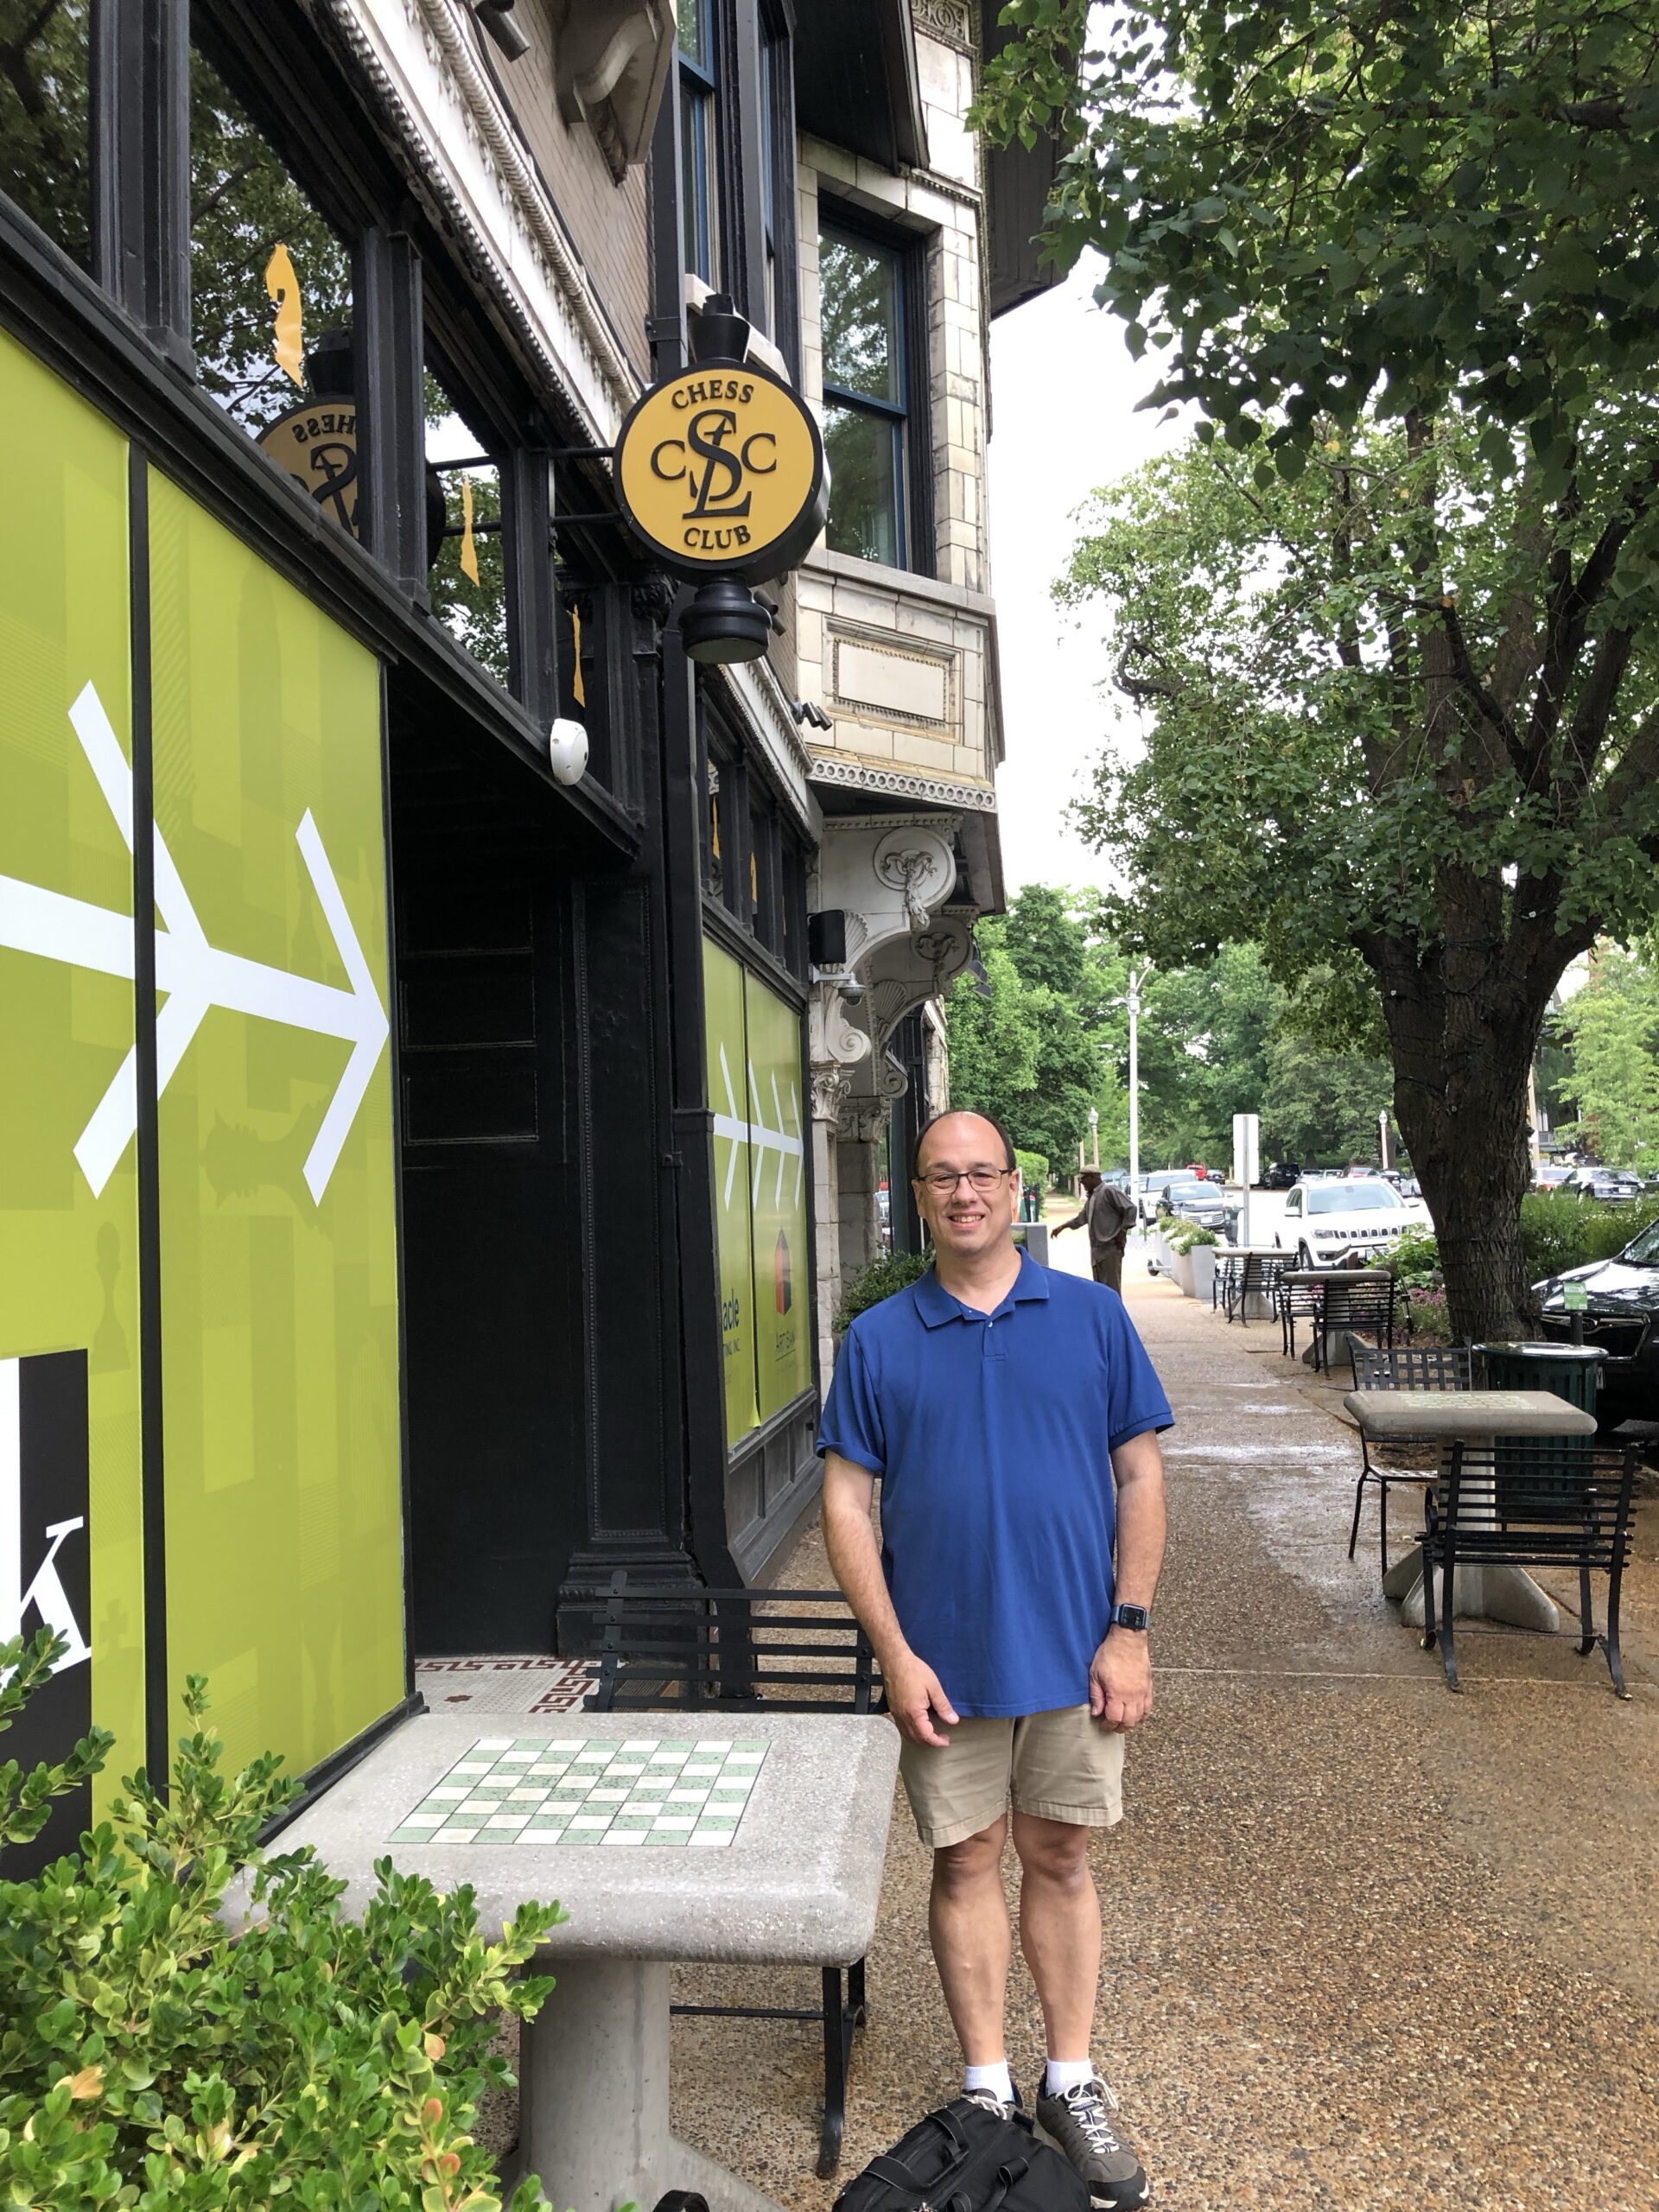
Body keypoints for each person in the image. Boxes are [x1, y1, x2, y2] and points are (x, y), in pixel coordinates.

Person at [819, 1110, 1171, 2209]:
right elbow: (845, 1499)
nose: (965, 1192)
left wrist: (1131, 1626)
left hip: (1076, 1651)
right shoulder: (878, 1340)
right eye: (942, 1176)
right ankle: (985, 2088)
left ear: (1017, 1188)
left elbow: (1142, 1480)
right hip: (945, 1661)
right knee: (965, 1862)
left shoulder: (1095, 1318)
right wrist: (895, 1651)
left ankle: (1071, 2077)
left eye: (983, 1174)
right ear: (916, 1195)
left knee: (1060, 1857)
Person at [1056, 1167, 1138, 1294]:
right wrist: (1063, 1227)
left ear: (1094, 1176)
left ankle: (1114, 1313)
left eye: (1083, 1179)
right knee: (1100, 1289)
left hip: (1110, 1248)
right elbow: (1081, 1219)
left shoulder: (1109, 1191)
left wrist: (1122, 1231)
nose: (1082, 1183)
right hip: (1097, 1250)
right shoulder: (1092, 1197)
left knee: (1112, 1288)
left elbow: (1130, 1209)